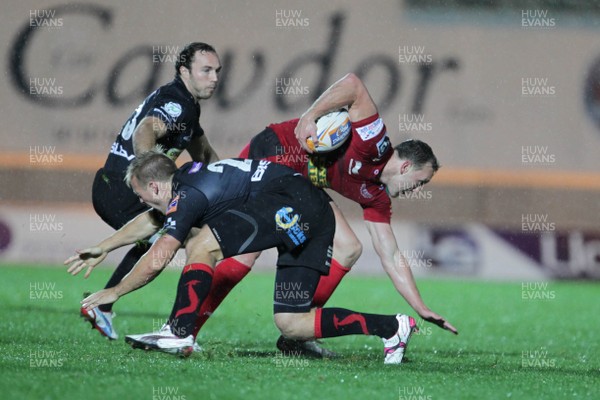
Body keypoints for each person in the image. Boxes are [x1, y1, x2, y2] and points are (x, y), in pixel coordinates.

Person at [66, 150, 420, 364]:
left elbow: (161, 253)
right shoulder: (189, 180)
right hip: (313, 212)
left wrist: (114, 293)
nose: (145, 203)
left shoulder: (186, 194)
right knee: (291, 323)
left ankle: (179, 331)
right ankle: (392, 327)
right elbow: (156, 219)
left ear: (156, 186)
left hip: (288, 200)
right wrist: (106, 245)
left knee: (203, 245)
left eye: (144, 196)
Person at [190, 73, 458, 356]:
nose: (416, 191)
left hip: (299, 185)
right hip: (274, 151)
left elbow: (390, 254)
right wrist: (310, 116)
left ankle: (298, 333)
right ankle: (186, 331)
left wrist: (420, 306)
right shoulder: (374, 143)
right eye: (420, 182)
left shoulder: (377, 197)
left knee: (349, 247)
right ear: (405, 168)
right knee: (243, 251)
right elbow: (354, 85)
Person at [83, 42, 221, 340]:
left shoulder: (187, 106)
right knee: (191, 238)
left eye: (217, 71)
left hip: (112, 187)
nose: (214, 78)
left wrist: (229, 185)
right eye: (206, 70)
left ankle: (108, 305)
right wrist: (149, 173)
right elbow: (145, 127)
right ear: (185, 71)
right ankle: (177, 329)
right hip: (121, 190)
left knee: (170, 237)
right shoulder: (178, 103)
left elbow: (206, 156)